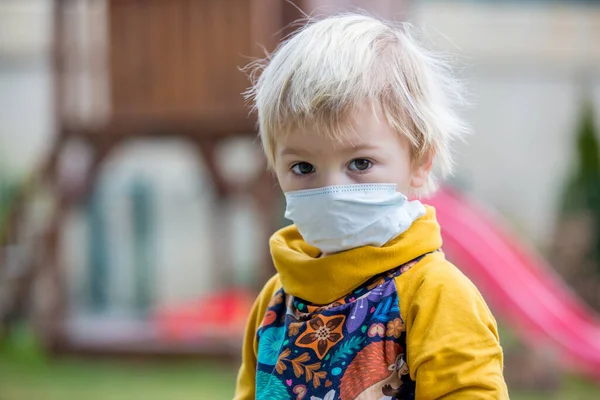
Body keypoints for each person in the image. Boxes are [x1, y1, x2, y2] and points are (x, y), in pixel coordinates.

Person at [234, 12, 508, 400]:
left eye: (359, 163)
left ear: (420, 162)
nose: (331, 189)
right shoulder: (275, 304)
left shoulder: (434, 294)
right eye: (303, 167)